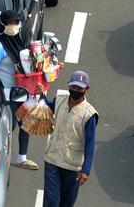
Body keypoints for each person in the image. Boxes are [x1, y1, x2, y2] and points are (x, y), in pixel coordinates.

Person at [0, 11, 39, 171]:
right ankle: (0, 158)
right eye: (10, 22)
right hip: (5, 94)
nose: (14, 26)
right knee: (8, 126)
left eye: (16, 22)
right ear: (3, 24)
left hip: (21, 92)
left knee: (25, 123)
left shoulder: (20, 42)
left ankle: (22, 158)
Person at [42, 71, 98, 207]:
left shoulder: (89, 114)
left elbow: (90, 144)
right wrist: (40, 95)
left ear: (86, 89)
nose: (76, 91)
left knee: (66, 203)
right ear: (69, 86)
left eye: (79, 88)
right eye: (73, 87)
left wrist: (86, 170)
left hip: (72, 166)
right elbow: (48, 108)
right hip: (52, 159)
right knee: (51, 201)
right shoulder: (60, 100)